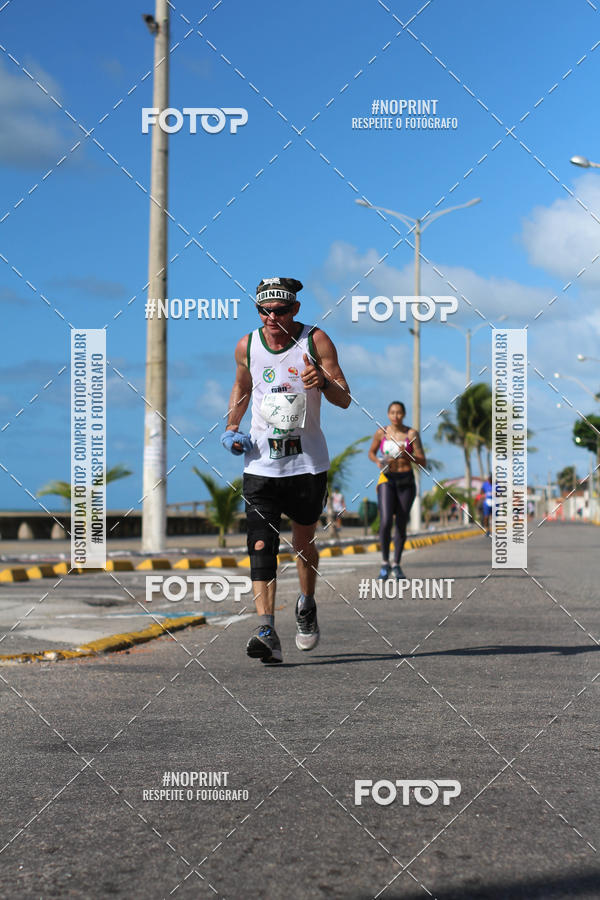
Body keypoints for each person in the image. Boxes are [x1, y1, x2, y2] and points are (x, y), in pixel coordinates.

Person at [221, 277, 351, 664]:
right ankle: (266, 628)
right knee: (261, 544)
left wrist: (322, 381)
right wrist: (231, 428)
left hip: (307, 464)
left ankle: (306, 604)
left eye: (279, 311)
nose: (271, 318)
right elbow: (242, 387)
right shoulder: (247, 345)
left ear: (294, 310)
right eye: (264, 311)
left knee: (303, 542)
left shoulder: (316, 341)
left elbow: (344, 398)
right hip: (261, 463)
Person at [368, 401, 426, 580]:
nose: (396, 416)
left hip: (406, 480)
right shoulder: (381, 432)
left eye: (399, 413)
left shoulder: (412, 434)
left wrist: (408, 455)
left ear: (404, 414)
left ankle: (397, 564)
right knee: (385, 521)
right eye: (392, 412)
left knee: (401, 522)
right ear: (388, 414)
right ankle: (385, 562)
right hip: (387, 479)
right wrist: (378, 461)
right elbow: (371, 452)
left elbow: (423, 460)